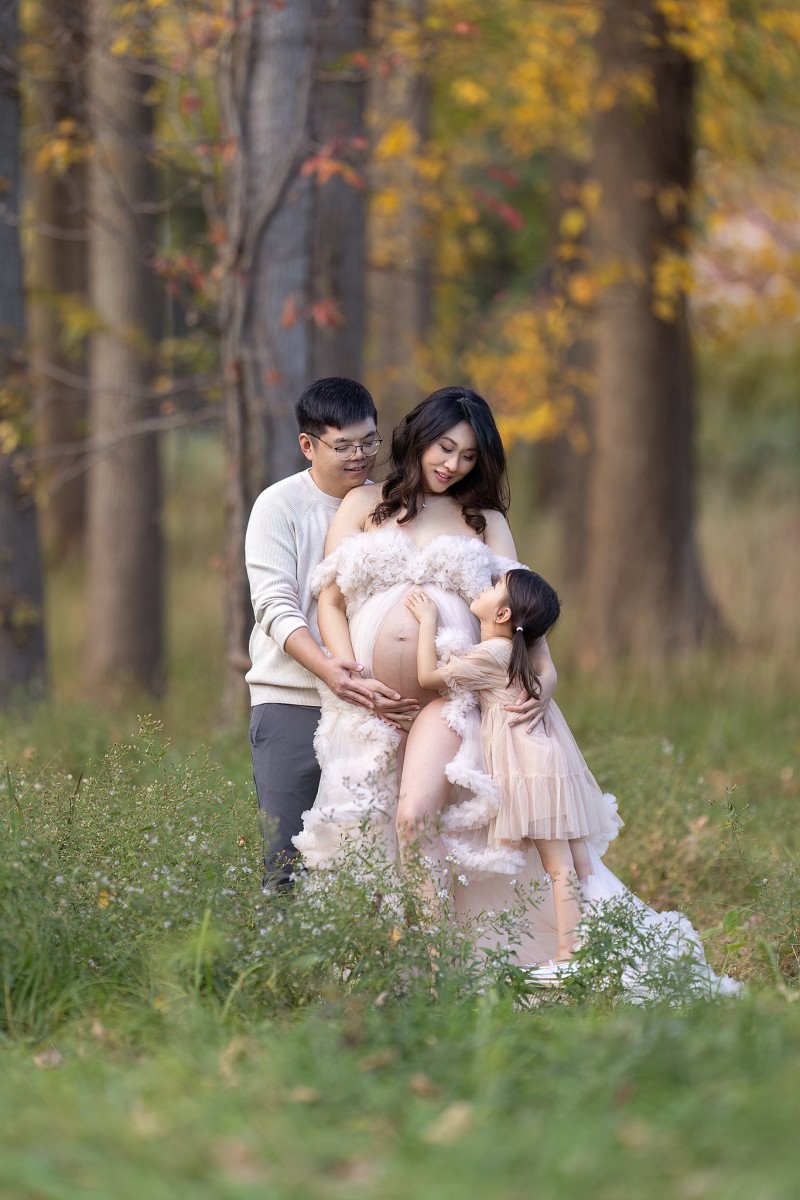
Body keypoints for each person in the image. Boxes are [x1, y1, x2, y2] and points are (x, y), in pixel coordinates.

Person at [293, 385, 556, 888]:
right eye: (446, 448)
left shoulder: (485, 520)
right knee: (362, 833)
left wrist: (549, 674)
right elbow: (329, 601)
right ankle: (369, 958)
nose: (453, 465)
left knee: (432, 829)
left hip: (450, 704)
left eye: (469, 456)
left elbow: (520, 608)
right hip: (368, 699)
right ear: (420, 437)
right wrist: (352, 677)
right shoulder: (364, 502)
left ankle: (444, 958)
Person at [245, 377, 418, 890]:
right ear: (308, 445)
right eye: (343, 446)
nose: (359, 456)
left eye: (369, 442)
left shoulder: (392, 506)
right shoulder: (280, 506)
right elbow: (273, 606)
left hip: (376, 705)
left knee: (369, 856)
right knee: (289, 857)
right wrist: (329, 672)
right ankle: (280, 969)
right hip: (294, 701)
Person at [405, 568, 620, 973]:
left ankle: (571, 956)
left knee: (561, 866)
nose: (483, 587)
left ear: (503, 615)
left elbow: (427, 678)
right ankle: (599, 937)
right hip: (547, 758)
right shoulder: (513, 654)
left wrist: (429, 619)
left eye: (493, 587)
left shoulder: (492, 654)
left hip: (530, 766)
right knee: (577, 862)